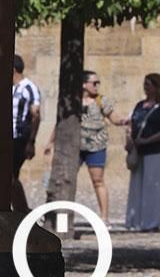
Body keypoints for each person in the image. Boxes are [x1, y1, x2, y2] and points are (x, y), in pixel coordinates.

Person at [44, 70, 129, 223]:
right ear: (84, 84)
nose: (97, 86)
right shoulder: (72, 101)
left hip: (96, 146)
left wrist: (124, 121)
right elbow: (61, 123)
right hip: (74, 147)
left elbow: (114, 117)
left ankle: (104, 217)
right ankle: (59, 217)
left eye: (98, 83)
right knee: (65, 179)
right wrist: (50, 142)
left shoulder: (101, 101)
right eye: (94, 83)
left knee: (98, 181)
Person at [126, 73, 160, 231]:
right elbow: (132, 124)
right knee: (137, 185)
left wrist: (147, 140)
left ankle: (151, 222)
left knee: (152, 187)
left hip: (154, 150)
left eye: (149, 84)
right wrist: (129, 141)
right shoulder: (140, 105)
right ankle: (136, 220)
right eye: (144, 84)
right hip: (138, 150)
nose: (146, 87)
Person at [11, 54, 42, 212]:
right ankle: (19, 210)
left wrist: (31, 142)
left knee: (10, 176)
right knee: (9, 176)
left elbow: (36, 115)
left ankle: (22, 210)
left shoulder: (29, 88)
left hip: (21, 138)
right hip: (10, 138)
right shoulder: (13, 89)